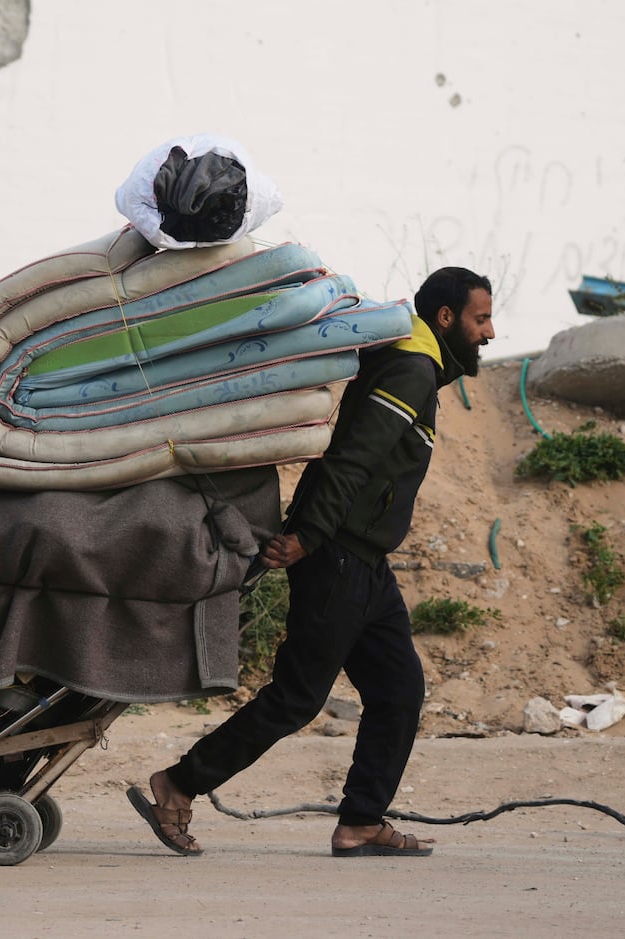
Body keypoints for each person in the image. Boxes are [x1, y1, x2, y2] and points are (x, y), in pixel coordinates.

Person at [128, 266, 495, 858]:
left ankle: (361, 822)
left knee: (399, 691)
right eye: (481, 318)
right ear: (447, 318)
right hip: (339, 556)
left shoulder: (418, 367)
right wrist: (310, 537)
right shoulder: (410, 368)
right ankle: (178, 784)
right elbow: (351, 460)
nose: (491, 332)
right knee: (297, 697)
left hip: (367, 565)